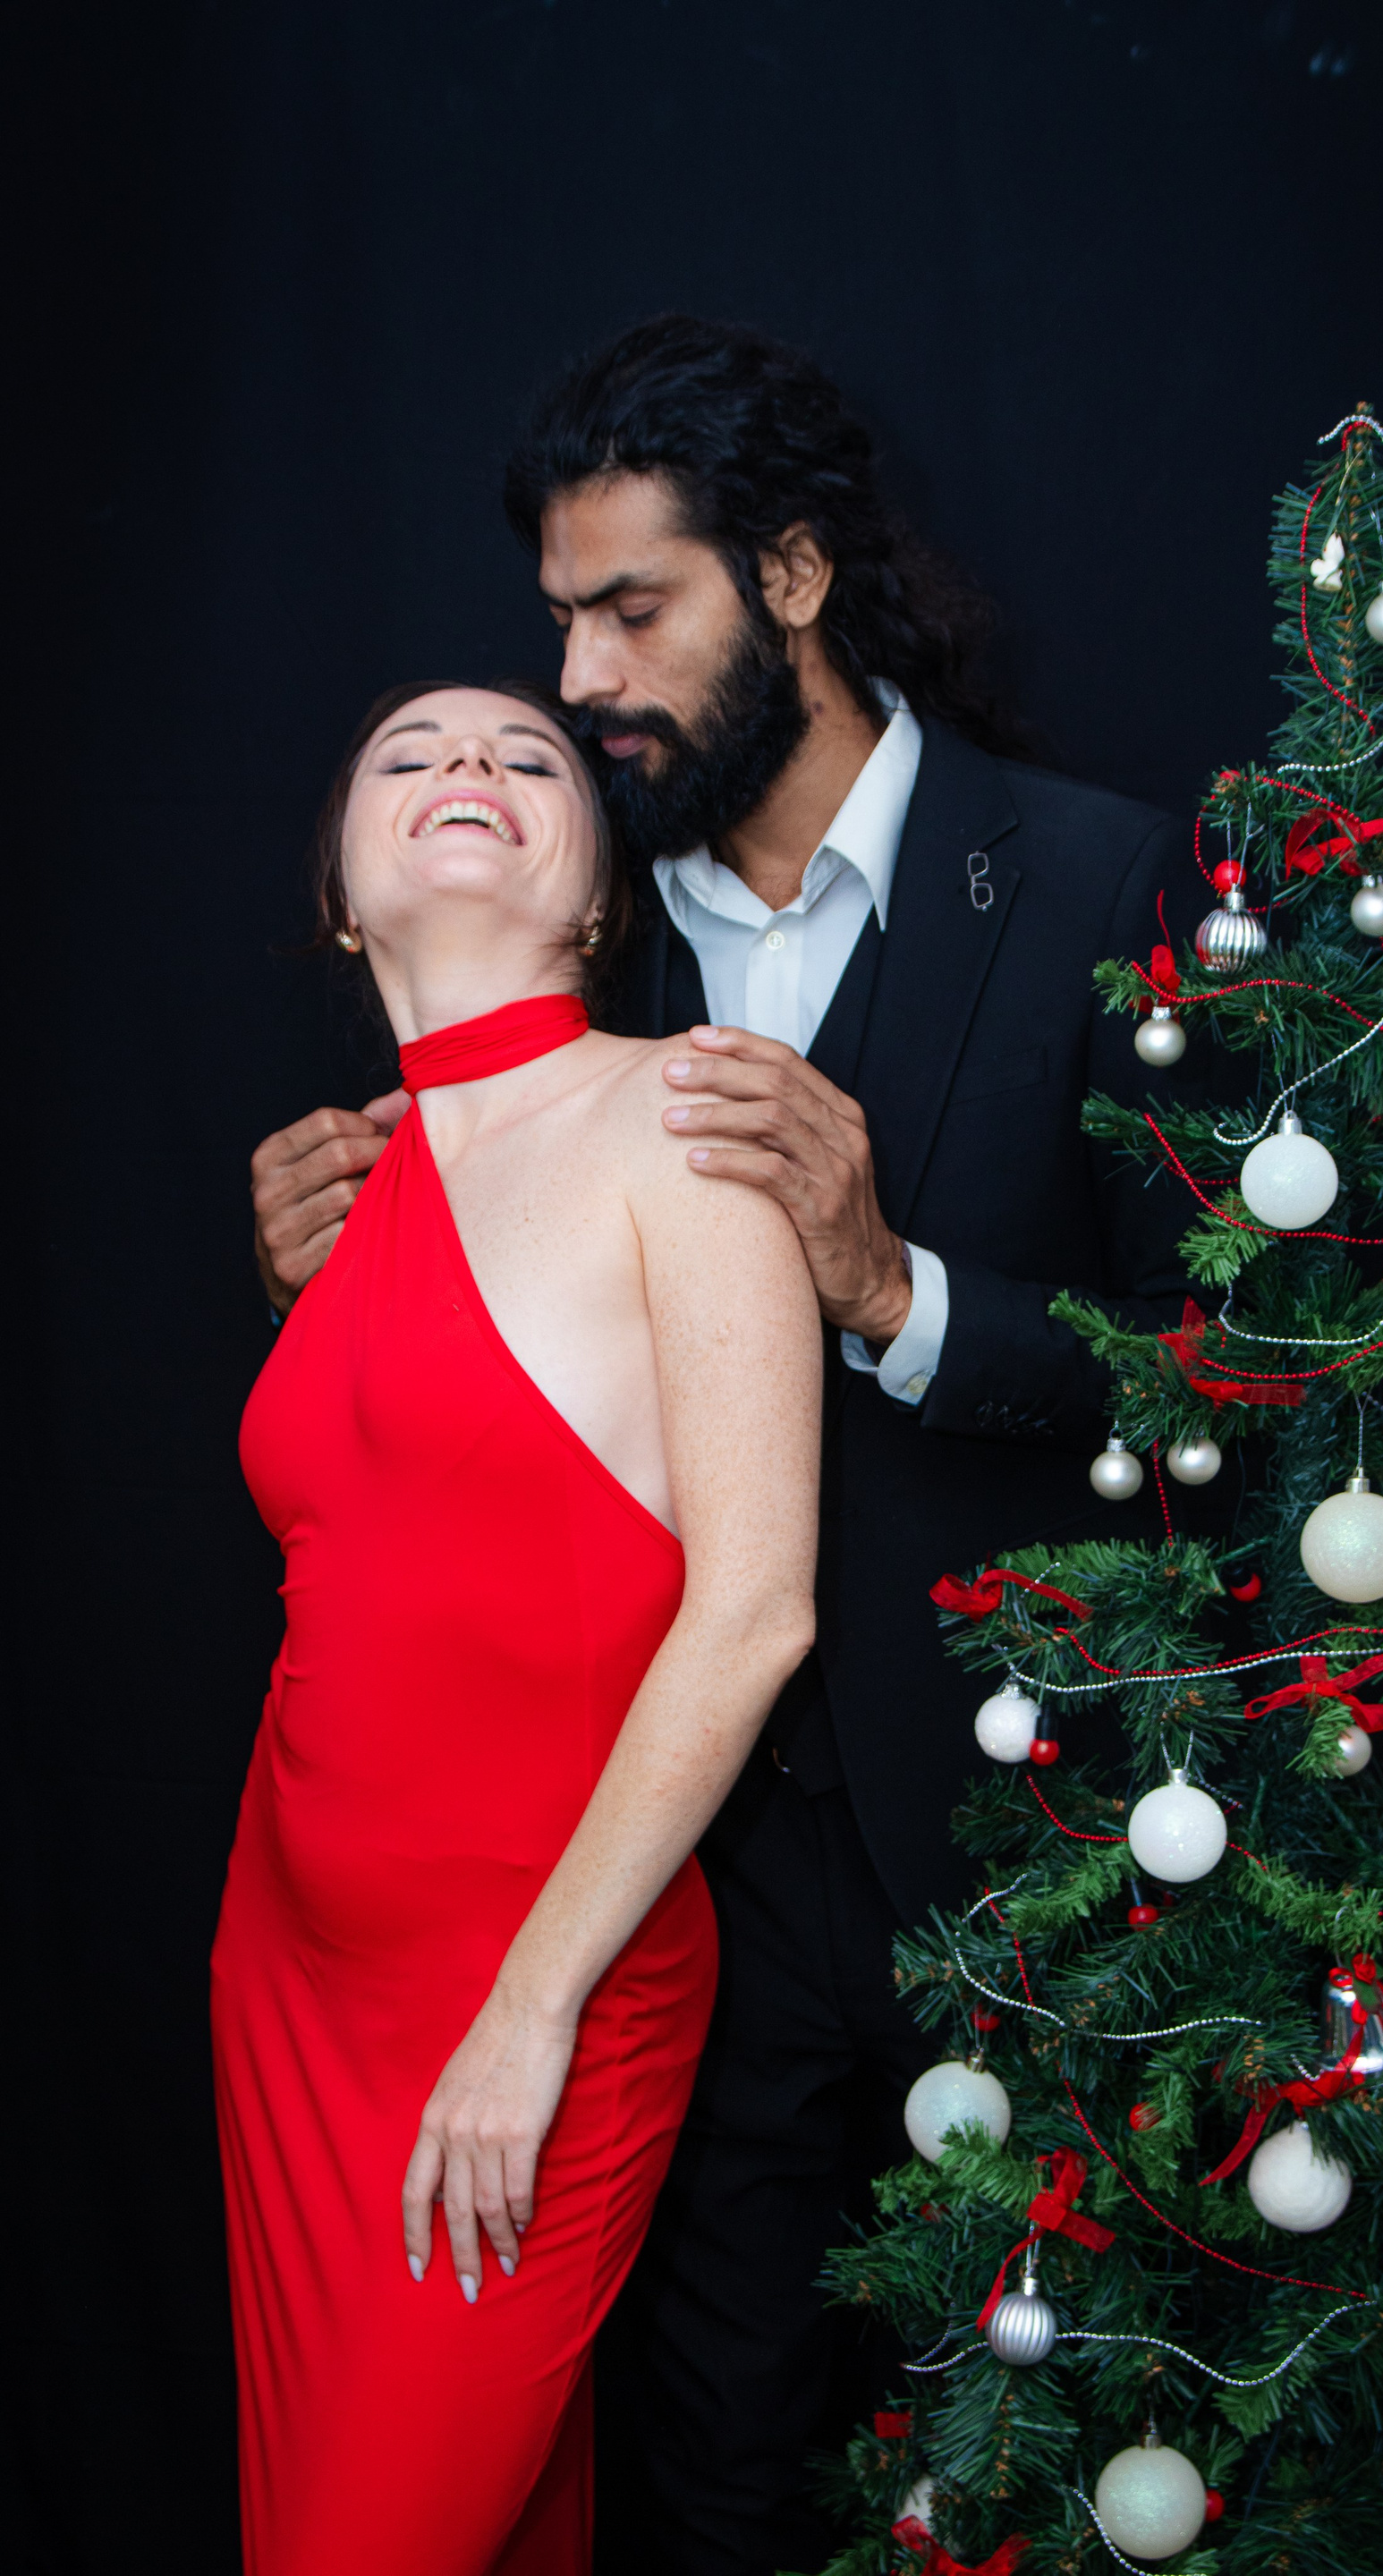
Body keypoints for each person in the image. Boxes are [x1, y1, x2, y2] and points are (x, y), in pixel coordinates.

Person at [250, 318, 1192, 2575]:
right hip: (668, 1881)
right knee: (706, 2474)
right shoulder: (574, 956)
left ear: (789, 575)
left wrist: (896, 1290)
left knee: (1074, 2467)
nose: (580, 680)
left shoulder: (1099, 883)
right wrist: (351, 1252)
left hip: (1022, 1856)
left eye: (632, 610)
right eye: (559, 619)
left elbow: (1228, 1378)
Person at [216, 676, 820, 2576]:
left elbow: (754, 1614)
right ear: (343, 896)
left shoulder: (682, 1117)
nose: (466, 765)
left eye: (526, 754)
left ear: (597, 896)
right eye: (408, 755)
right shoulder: (350, 1193)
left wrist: (528, 2013)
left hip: (538, 1992)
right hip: (290, 1984)